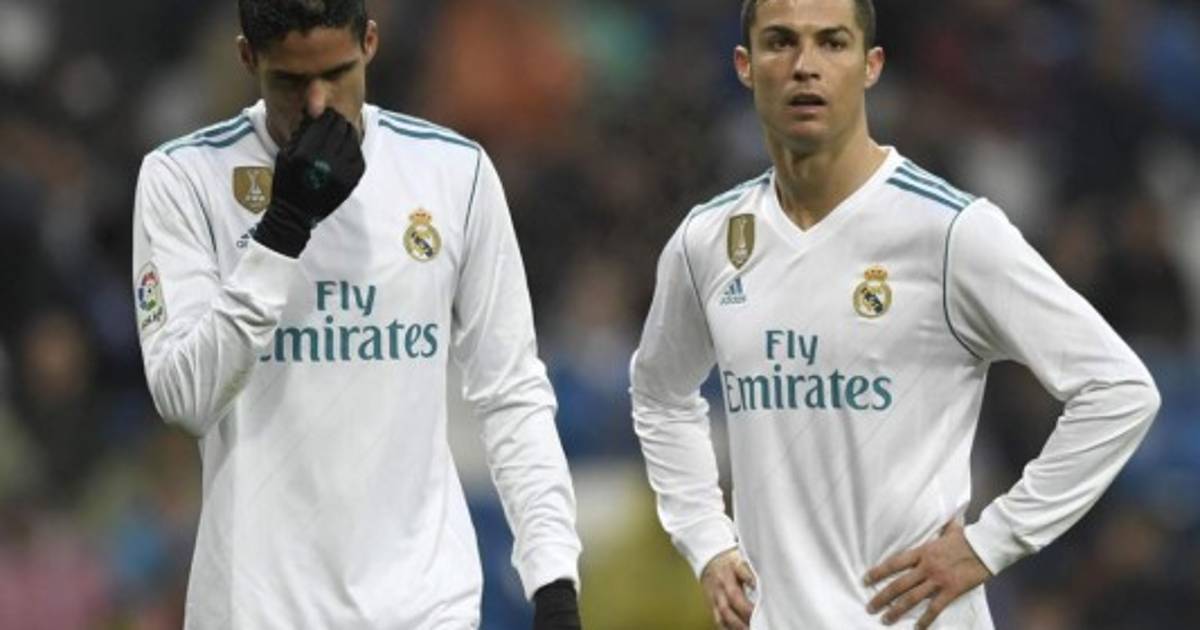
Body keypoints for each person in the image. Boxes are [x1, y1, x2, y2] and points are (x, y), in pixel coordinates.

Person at [629, 1, 1160, 628]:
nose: (804, 66)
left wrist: (992, 542)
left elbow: (1119, 390)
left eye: (832, 43)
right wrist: (706, 539)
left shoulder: (950, 231)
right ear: (745, 66)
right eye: (780, 42)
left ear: (872, 65)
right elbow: (659, 394)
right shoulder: (708, 240)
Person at [131, 1, 582, 628]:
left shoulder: (453, 173)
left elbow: (512, 391)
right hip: (258, 610)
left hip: (425, 606)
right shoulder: (183, 179)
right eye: (291, 82)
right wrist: (284, 229)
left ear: (370, 42)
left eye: (337, 73)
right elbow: (185, 398)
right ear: (248, 58)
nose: (318, 104)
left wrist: (554, 579)